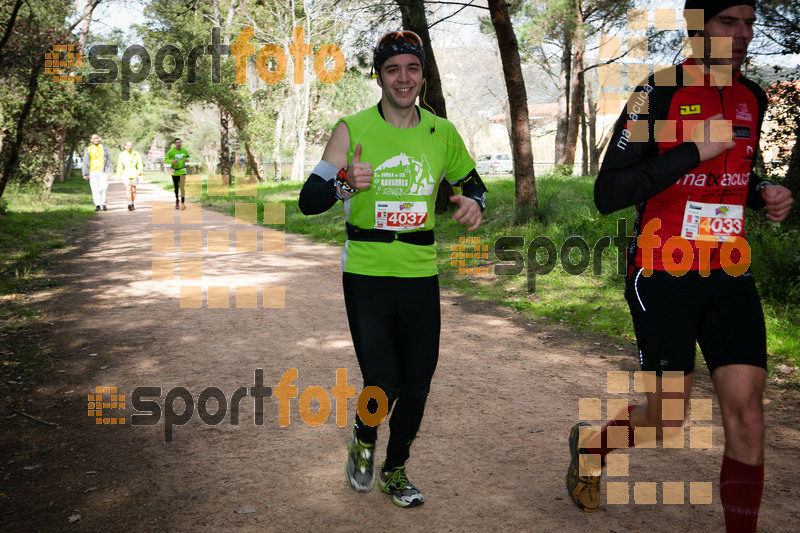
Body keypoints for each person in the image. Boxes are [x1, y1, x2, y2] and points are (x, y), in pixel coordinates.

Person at [567, 1, 794, 530]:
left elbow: (737, 171)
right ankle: (591, 447)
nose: (743, 35)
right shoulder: (659, 93)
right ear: (697, 28)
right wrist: (692, 151)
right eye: (728, 22)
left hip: (730, 271)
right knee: (666, 417)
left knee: (749, 416)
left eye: (750, 23)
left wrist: (762, 192)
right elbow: (611, 191)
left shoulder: (750, 96)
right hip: (662, 270)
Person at [298, 30, 487, 508]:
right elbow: (308, 200)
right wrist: (344, 183)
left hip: (420, 270)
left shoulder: (441, 132)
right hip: (366, 269)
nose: (403, 78)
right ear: (379, 75)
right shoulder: (352, 129)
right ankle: (364, 434)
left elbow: (473, 183)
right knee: (384, 381)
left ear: (422, 75)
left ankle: (395, 468)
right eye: (392, 69)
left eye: (412, 68)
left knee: (419, 381)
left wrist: (473, 204)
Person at [81, 134, 113, 212]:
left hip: (102, 171)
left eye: (97, 138)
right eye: (94, 138)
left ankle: (103, 203)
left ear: (99, 139)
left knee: (103, 187)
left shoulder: (104, 148)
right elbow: (85, 161)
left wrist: (109, 171)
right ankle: (97, 204)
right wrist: (85, 173)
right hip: (92, 171)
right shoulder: (88, 149)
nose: (95, 139)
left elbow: (108, 160)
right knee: (94, 188)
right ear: (91, 140)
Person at [117, 142, 142, 211]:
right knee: (128, 190)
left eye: (131, 146)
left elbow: (140, 163)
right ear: (125, 147)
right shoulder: (122, 154)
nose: (130, 147)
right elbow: (120, 165)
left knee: (133, 191)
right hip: (126, 174)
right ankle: (129, 203)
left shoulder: (136, 153)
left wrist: (140, 171)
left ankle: (133, 202)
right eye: (128, 146)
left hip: (134, 174)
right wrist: (118, 175)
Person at [165, 138, 189, 210]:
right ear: (175, 144)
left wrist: (187, 160)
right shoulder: (171, 151)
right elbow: (166, 160)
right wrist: (172, 161)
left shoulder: (184, 150)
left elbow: (187, 157)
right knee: (176, 187)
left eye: (180, 142)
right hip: (174, 171)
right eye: (177, 143)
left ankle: (182, 203)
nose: (179, 144)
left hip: (182, 171)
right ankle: (177, 200)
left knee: (182, 187)